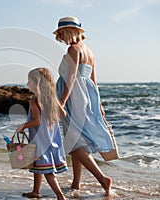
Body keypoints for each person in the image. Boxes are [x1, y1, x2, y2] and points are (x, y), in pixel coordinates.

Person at [53, 16, 114, 196]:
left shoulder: (74, 49)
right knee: (77, 138)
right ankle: (76, 183)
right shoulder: (90, 51)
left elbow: (71, 77)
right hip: (86, 96)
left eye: (62, 34)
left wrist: (62, 102)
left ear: (70, 32)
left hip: (73, 97)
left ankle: (103, 179)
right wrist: (99, 104)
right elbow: (94, 82)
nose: (61, 39)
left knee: (73, 142)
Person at [16, 67, 67, 200]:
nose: (27, 84)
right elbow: (63, 114)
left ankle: (60, 196)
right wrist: (51, 120)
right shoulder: (51, 98)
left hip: (39, 140)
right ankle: (36, 191)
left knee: (47, 171)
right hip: (51, 138)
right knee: (39, 166)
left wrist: (23, 126)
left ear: (37, 83)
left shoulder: (34, 101)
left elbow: (37, 122)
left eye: (29, 81)